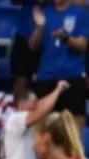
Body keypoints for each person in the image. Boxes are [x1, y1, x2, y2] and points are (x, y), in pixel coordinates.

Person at [29, 0, 89, 128]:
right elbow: (32, 46)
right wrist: (39, 28)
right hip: (46, 76)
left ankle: (77, 149)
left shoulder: (79, 13)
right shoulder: (44, 12)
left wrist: (65, 38)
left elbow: (83, 46)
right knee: (44, 126)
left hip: (72, 75)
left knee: (76, 126)